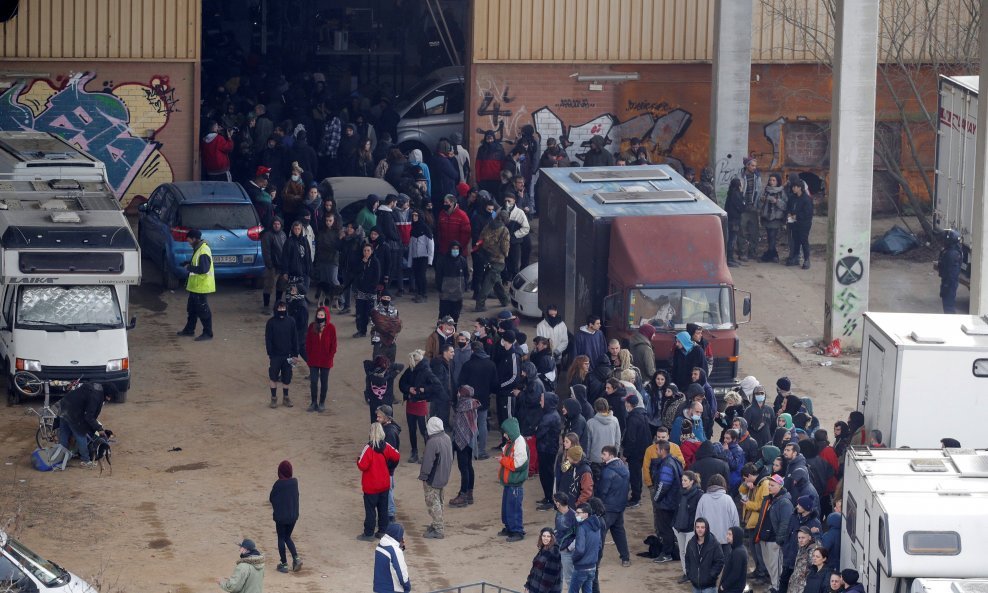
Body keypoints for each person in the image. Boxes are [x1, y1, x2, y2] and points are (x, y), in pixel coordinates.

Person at [358, 423, 400, 540]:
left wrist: (357, 460)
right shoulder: (386, 446)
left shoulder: (368, 448)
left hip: (371, 486)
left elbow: (362, 465)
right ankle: (382, 530)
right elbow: (396, 455)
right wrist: (390, 466)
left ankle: (369, 533)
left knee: (370, 510)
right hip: (384, 484)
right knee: (383, 509)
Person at [58, 382, 113, 467]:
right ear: (107, 395)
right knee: (80, 434)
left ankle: (60, 457)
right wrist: (99, 429)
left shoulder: (95, 386)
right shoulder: (96, 397)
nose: (109, 399)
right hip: (73, 413)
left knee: (64, 434)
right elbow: (89, 417)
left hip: (64, 405)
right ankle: (86, 460)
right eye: (109, 397)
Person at [755, 475, 794, 593]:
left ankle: (777, 588)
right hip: (764, 538)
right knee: (768, 565)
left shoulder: (785, 502)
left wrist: (779, 540)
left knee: (776, 567)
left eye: (772, 485)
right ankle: (773, 585)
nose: (769, 487)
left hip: (774, 540)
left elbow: (785, 523)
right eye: (769, 485)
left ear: (780, 486)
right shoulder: (769, 499)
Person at [649, 439, 684, 563]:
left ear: (663, 450)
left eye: (657, 449)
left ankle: (667, 553)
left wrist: (656, 498)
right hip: (672, 502)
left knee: (665, 529)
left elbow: (663, 485)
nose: (656, 451)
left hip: (666, 504)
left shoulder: (666, 465)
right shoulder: (673, 461)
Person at [177, 229, 215, 340]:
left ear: (194, 239)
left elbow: (203, 269)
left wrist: (189, 267)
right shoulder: (198, 248)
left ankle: (208, 333)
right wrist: (188, 263)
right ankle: (189, 330)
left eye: (189, 240)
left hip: (201, 287)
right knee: (192, 310)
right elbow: (198, 264)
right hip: (196, 286)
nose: (188, 242)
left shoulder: (203, 250)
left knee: (203, 311)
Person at [419, 417, 453, 539]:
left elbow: (428, 462)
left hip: (433, 477)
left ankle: (438, 528)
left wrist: (424, 476)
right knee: (440, 499)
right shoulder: (447, 438)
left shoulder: (432, 442)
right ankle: (436, 524)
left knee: (433, 502)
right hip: (444, 474)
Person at [597, 445, 631, 567]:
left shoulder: (607, 472)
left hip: (608, 507)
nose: (601, 456)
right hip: (619, 506)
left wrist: (597, 505)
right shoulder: (624, 467)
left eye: (604, 454)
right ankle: (625, 557)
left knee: (600, 533)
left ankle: (596, 560)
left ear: (611, 455)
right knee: (619, 532)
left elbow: (602, 491)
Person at [498, 417, 530, 542]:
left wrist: (502, 460)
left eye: (506, 432)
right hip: (509, 481)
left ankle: (517, 530)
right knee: (507, 506)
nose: (505, 435)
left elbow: (518, 464)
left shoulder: (520, 443)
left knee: (514, 507)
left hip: (515, 483)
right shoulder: (513, 441)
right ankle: (509, 527)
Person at [449, 385, 480, 508]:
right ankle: (469, 493)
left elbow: (457, 423)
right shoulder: (473, 403)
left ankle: (463, 495)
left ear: (462, 394)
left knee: (464, 468)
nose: (457, 394)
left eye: (459, 392)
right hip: (471, 439)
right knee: (469, 466)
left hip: (462, 440)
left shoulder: (462, 405)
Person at [474, 209, 511, 312]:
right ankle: (480, 304)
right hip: (498, 259)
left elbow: (481, 237)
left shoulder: (488, 225)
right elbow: (505, 247)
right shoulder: (504, 230)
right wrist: (506, 254)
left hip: (486, 257)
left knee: (495, 279)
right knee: (489, 281)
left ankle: (504, 300)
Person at [696, 474, 740, 559]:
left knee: (709, 567)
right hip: (726, 539)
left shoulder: (703, 498)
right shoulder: (728, 499)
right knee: (727, 566)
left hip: (708, 539)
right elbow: (735, 519)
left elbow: (698, 519)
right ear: (723, 484)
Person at [739, 464, 771, 583]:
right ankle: (758, 570)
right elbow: (740, 490)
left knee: (759, 550)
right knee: (753, 549)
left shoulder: (765, 484)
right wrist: (745, 485)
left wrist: (747, 503)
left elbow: (761, 506)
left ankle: (763, 574)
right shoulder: (756, 483)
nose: (744, 481)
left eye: (745, 479)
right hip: (751, 521)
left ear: (751, 476)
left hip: (758, 522)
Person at [265, 301, 299, 409]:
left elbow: (295, 338)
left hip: (288, 355)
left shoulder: (291, 321)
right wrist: (270, 353)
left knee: (287, 377)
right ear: (276, 309)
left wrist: (295, 354)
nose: (281, 310)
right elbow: (268, 339)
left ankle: (286, 397)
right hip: (275, 356)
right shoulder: (271, 322)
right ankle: (273, 398)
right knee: (273, 377)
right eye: (279, 308)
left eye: (283, 308)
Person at [269, 460, 301, 573]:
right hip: (293, 516)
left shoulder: (278, 484)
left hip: (281, 517)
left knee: (281, 538)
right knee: (287, 537)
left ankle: (284, 564)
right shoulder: (295, 482)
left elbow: (271, 498)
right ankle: (296, 558)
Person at [303, 306, 337, 412]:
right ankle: (313, 402)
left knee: (324, 381)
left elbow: (334, 344)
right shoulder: (312, 326)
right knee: (313, 381)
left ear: (326, 316)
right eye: (318, 315)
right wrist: (309, 355)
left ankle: (322, 402)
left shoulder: (331, 327)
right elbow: (308, 342)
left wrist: (330, 356)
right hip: (313, 359)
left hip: (326, 360)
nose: (320, 317)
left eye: (322, 315)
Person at [623, 394, 651, 507]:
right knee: (638, 474)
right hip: (643, 450)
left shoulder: (633, 418)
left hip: (635, 452)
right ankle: (637, 495)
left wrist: (625, 454)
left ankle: (635, 498)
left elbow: (631, 438)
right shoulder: (642, 414)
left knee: (635, 475)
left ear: (629, 404)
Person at [569, 503, 604, 593]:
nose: (576, 515)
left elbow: (580, 550)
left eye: (578, 513)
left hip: (581, 567)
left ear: (586, 514)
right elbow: (599, 545)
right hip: (592, 567)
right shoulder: (597, 526)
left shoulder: (582, 528)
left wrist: (573, 559)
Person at [685, 517, 725, 593]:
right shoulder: (691, 543)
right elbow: (687, 559)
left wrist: (711, 576)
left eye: (702, 527)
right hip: (695, 586)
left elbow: (720, 561)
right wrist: (689, 574)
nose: (700, 529)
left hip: (709, 587)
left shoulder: (714, 544)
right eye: (697, 527)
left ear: (707, 528)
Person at [377, 404, 403, 521]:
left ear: (387, 418)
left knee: (387, 492)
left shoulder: (390, 433)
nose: (377, 419)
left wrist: (386, 468)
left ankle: (390, 516)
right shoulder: (388, 428)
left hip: (387, 470)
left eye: (380, 417)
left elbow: (391, 456)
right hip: (385, 469)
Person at [349, 243, 381, 338]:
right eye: (365, 250)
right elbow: (355, 272)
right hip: (361, 291)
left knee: (372, 313)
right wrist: (362, 263)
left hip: (371, 292)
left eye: (368, 250)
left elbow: (377, 276)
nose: (366, 252)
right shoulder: (361, 261)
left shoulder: (375, 261)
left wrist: (372, 288)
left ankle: (375, 331)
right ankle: (361, 331)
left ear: (372, 251)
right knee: (360, 312)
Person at [364, 356, 405, 423]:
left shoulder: (369, 373)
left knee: (375, 425)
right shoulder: (389, 375)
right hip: (387, 403)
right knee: (388, 424)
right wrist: (390, 368)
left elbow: (366, 362)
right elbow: (401, 366)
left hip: (374, 404)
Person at [438, 240, 470, 322]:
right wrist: (440, 287)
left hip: (458, 294)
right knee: (443, 315)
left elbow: (466, 275)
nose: (455, 250)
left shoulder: (462, 261)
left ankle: (453, 331)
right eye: (453, 248)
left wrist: (464, 286)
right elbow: (439, 275)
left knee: (455, 315)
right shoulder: (443, 260)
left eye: (457, 249)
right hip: (445, 294)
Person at [373, 523, 411, 593]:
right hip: (392, 589)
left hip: (378, 588)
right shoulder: (395, 551)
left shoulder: (379, 546)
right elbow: (402, 575)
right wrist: (407, 588)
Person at [738, 156, 762, 261]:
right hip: (743, 208)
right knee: (742, 231)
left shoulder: (757, 177)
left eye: (755, 166)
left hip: (753, 207)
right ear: (747, 165)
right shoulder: (740, 176)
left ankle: (752, 252)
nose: (754, 168)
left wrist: (757, 205)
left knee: (754, 231)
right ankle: (742, 253)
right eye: (752, 165)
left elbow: (759, 191)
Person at [261, 217, 287, 311]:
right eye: (275, 224)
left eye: (278, 224)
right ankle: (266, 306)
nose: (277, 225)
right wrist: (269, 264)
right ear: (272, 225)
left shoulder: (283, 234)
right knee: (269, 285)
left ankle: (277, 305)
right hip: (271, 266)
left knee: (281, 286)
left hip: (281, 265)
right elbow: (266, 251)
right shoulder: (267, 235)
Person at [786, 178, 813, 269]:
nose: (793, 188)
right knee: (795, 240)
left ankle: (806, 259)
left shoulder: (806, 199)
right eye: (793, 187)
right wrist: (789, 213)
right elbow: (789, 207)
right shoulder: (792, 197)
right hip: (794, 223)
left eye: (795, 187)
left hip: (804, 224)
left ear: (800, 188)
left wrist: (797, 216)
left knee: (803, 240)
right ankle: (795, 257)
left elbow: (808, 213)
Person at [552, 493, 578, 592]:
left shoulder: (574, 516)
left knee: (569, 578)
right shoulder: (558, 514)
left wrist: (569, 548)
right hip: (557, 549)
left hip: (567, 552)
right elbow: (556, 530)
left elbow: (579, 536)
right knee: (558, 576)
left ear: (558, 503)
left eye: (554, 501)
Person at [759, 173, 787, 262]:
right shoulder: (766, 190)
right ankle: (773, 254)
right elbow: (760, 203)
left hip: (776, 217)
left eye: (774, 180)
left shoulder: (781, 191)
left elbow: (785, 205)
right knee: (769, 236)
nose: (771, 182)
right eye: (770, 180)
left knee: (773, 236)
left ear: (778, 181)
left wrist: (776, 201)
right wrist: (762, 200)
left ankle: (770, 254)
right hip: (767, 217)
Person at [525, 528, 563, 593]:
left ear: (552, 538)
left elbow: (549, 578)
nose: (545, 538)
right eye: (544, 536)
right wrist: (528, 586)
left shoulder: (553, 553)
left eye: (548, 536)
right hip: (535, 588)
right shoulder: (544, 548)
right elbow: (534, 570)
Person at [586, 398, 621, 465]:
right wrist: (615, 455)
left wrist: (587, 458)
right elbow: (617, 440)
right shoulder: (615, 420)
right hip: (610, 458)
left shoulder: (590, 423)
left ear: (595, 408)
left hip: (595, 459)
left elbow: (588, 443)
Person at [370, 291, 402, 364]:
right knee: (377, 357)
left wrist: (391, 329)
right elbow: (376, 324)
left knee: (391, 358)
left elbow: (397, 324)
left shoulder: (395, 310)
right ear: (380, 298)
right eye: (384, 297)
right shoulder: (375, 310)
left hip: (391, 337)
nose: (386, 299)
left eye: (388, 298)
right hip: (378, 336)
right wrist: (388, 326)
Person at [938, 229, 962, 313]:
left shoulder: (951, 254)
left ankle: (952, 323)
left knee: (948, 307)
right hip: (948, 282)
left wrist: (946, 285)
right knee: (948, 305)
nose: (942, 241)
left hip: (949, 283)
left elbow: (952, 273)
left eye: (944, 239)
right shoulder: (950, 251)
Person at [720, 526, 748, 593]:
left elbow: (735, 574)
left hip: (733, 588)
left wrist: (723, 586)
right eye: (727, 534)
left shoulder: (738, 552)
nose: (727, 536)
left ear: (736, 536)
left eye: (730, 534)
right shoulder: (736, 549)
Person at [724, 177, 744, 267]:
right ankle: (730, 259)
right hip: (734, 220)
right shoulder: (736, 195)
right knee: (732, 240)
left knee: (731, 239)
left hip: (731, 219)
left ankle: (730, 258)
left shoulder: (730, 194)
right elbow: (742, 207)